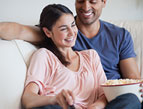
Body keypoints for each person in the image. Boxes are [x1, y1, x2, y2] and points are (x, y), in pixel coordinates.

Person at [0, 0, 140, 80]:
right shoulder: (59, 33)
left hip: (113, 97)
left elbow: (133, 78)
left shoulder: (120, 35)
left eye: (92, 1)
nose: (85, 7)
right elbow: (19, 30)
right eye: (80, 1)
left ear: (103, 2)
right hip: (78, 97)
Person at [21, 4, 108, 109]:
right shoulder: (44, 56)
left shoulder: (91, 56)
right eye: (63, 29)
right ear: (48, 32)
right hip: (61, 107)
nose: (72, 33)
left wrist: (95, 107)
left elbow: (104, 94)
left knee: (129, 98)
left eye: (73, 25)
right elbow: (27, 99)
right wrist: (55, 99)